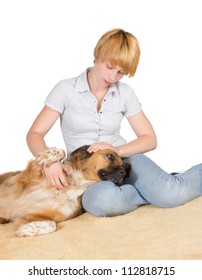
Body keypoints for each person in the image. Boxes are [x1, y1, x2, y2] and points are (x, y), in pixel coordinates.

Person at [27, 28, 202, 217]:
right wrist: (49, 161)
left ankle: (163, 189)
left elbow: (149, 139)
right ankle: (155, 189)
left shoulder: (125, 93)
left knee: (170, 196)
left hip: (124, 160)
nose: (112, 77)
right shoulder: (65, 89)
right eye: (110, 67)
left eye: (121, 72)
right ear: (97, 54)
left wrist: (117, 151)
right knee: (100, 202)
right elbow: (35, 134)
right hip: (86, 173)